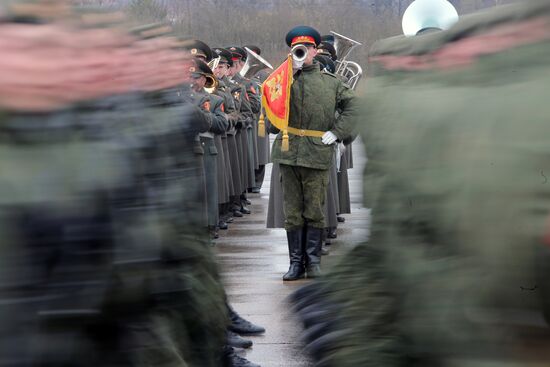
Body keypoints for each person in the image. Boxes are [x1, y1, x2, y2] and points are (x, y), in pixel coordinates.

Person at [270, 26, 359, 280]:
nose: (302, 53)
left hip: (317, 153)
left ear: (315, 50)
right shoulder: (282, 80)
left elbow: (354, 107)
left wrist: (338, 131)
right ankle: (295, 263)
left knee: (315, 209)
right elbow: (271, 119)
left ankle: (313, 261)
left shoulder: (330, 83)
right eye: (297, 49)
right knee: (292, 211)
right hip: (289, 153)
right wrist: (286, 81)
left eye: (307, 49)